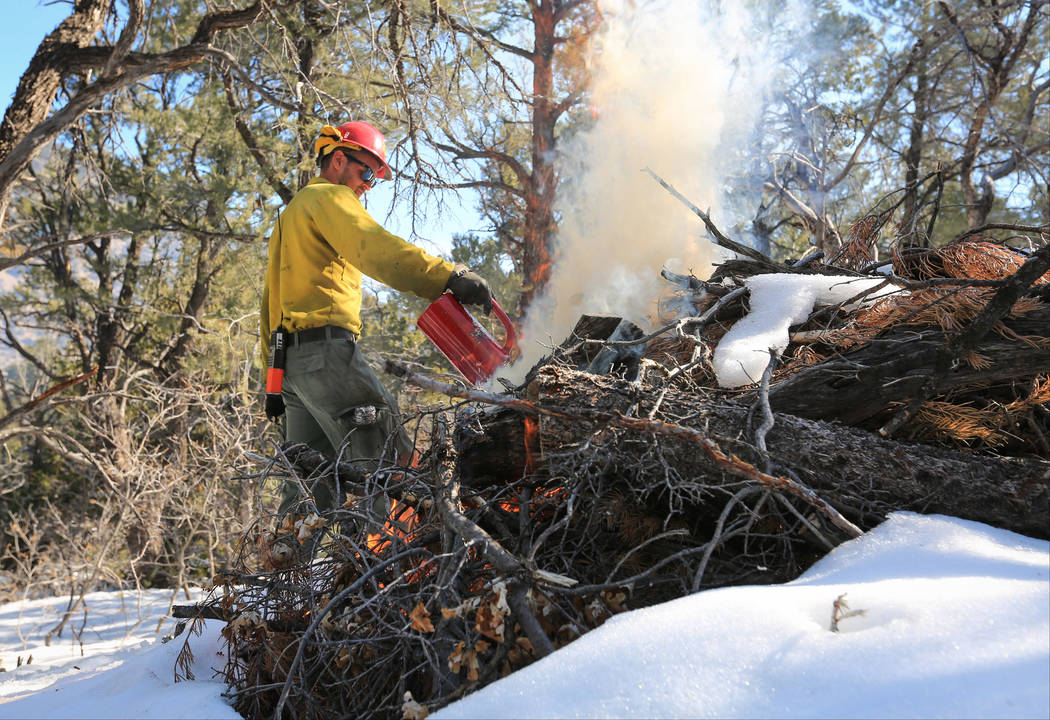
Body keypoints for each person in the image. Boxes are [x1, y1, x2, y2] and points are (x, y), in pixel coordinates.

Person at [260, 121, 493, 512]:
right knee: (386, 458)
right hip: (326, 358)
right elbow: (378, 250)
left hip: (292, 371)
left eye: (375, 178)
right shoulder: (329, 200)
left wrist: (273, 384)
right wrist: (448, 276)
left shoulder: (288, 217)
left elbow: (271, 309)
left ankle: (291, 565)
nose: (368, 184)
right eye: (366, 171)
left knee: (308, 490)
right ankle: (394, 564)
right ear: (338, 160)